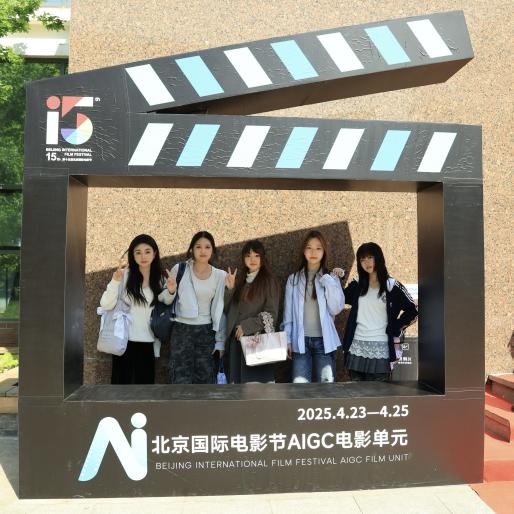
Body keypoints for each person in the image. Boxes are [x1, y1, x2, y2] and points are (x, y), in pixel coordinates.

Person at [343, 242, 418, 381]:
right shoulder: (357, 283)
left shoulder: (392, 286)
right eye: (362, 259)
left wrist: (396, 327)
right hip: (356, 347)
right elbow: (339, 298)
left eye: (370, 257)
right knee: (356, 392)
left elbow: (414, 310)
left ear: (378, 258)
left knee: (379, 392)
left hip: (381, 349)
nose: (366, 262)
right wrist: (338, 277)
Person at [158, 231, 226, 384]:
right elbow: (164, 300)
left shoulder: (220, 275)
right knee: (180, 379)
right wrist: (171, 290)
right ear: (192, 249)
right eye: (198, 247)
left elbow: (220, 310)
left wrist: (220, 341)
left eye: (207, 247)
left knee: (205, 379)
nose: (203, 251)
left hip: (206, 332)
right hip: (181, 330)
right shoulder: (180, 269)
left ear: (213, 250)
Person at [100, 234, 164, 384]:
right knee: (120, 389)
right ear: (132, 255)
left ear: (154, 253)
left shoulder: (160, 279)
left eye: (147, 251)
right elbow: (105, 304)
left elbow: (165, 308)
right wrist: (115, 281)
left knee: (144, 391)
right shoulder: (124, 275)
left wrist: (172, 291)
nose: (143, 256)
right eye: (138, 252)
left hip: (147, 342)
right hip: (123, 342)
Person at [282, 230, 345, 383]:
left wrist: (329, 282)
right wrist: (287, 340)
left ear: (324, 251)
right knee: (300, 387)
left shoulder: (330, 277)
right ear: (303, 251)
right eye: (309, 248)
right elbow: (288, 315)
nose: (313, 252)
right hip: (300, 341)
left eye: (318, 248)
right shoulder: (293, 279)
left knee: (327, 388)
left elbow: (336, 308)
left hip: (324, 342)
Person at [224, 240, 280, 383]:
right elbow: (227, 310)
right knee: (238, 389)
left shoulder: (268, 281)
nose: (252, 259)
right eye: (248, 256)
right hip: (236, 343)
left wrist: (247, 326)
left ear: (263, 258)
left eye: (257, 255)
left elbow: (272, 314)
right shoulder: (240, 281)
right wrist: (230, 289)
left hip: (256, 342)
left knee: (256, 389)